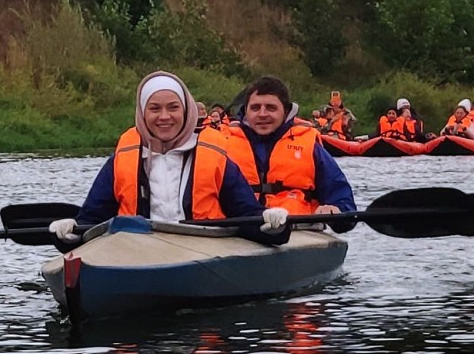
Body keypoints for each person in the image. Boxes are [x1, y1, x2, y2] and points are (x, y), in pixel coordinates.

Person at [57, 70, 279, 241]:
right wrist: (70, 235)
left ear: (185, 111)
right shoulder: (120, 162)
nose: (164, 117)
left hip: (203, 248)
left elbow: (248, 216)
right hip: (136, 251)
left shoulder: (216, 159)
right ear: (143, 114)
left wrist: (270, 226)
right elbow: (91, 221)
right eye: (154, 109)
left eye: (173, 107)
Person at [212, 74, 357, 217]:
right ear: (245, 111)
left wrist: (335, 210)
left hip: (297, 232)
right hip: (239, 231)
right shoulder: (223, 143)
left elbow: (343, 201)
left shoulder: (309, 146)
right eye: (255, 108)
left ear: (286, 111)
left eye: (271, 108)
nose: (262, 114)